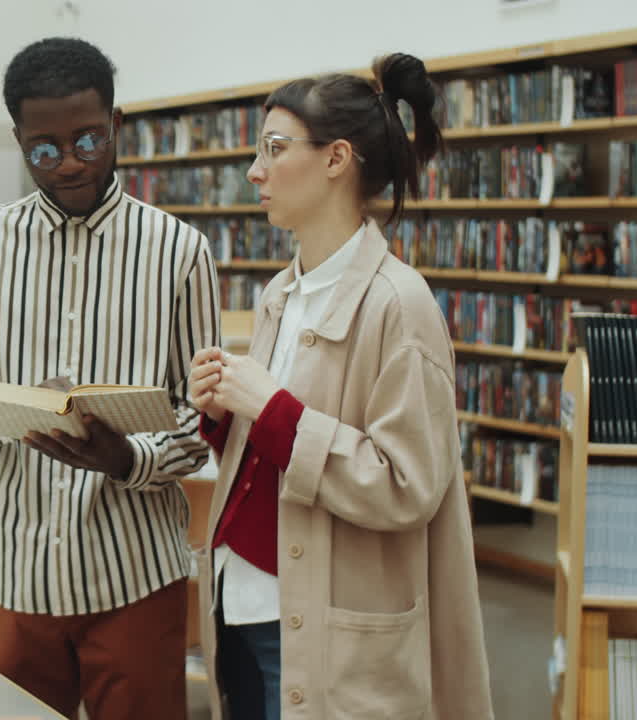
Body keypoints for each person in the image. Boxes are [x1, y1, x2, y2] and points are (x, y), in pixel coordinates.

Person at [0, 37, 219, 720]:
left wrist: (128, 458)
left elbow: (199, 421)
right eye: (44, 150)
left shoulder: (179, 251)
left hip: (135, 571)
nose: (71, 163)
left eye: (89, 139)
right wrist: (25, 416)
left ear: (117, 124)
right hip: (9, 573)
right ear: (20, 141)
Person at [187, 54, 494, 719]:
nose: (254, 172)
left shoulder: (400, 307)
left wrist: (269, 409)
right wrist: (223, 414)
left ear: (336, 160)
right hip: (240, 605)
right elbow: (276, 453)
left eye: (274, 148)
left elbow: (405, 484)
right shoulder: (280, 293)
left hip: (320, 630)